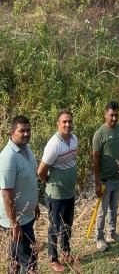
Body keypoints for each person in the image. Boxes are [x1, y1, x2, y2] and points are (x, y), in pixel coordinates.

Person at [38, 110, 78, 272]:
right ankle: (53, 259)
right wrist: (48, 181)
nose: (67, 124)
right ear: (58, 124)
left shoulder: (74, 139)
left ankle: (66, 252)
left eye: (69, 121)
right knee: (54, 226)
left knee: (68, 225)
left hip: (69, 192)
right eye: (64, 122)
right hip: (55, 195)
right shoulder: (53, 144)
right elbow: (41, 170)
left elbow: (71, 161)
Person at [0, 116, 39, 273]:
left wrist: (34, 204)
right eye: (21, 131)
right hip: (17, 222)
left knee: (16, 261)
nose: (25, 134)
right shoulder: (8, 157)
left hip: (26, 216)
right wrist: (14, 223)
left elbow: (29, 180)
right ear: (12, 132)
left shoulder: (26, 149)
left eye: (28, 130)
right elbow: (6, 194)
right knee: (29, 262)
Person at [93, 102, 119, 252]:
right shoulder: (100, 134)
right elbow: (95, 160)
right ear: (105, 114)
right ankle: (99, 238)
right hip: (105, 181)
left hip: (118, 179)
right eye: (111, 115)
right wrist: (97, 183)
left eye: (116, 115)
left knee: (114, 209)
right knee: (102, 211)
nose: (114, 118)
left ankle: (112, 233)